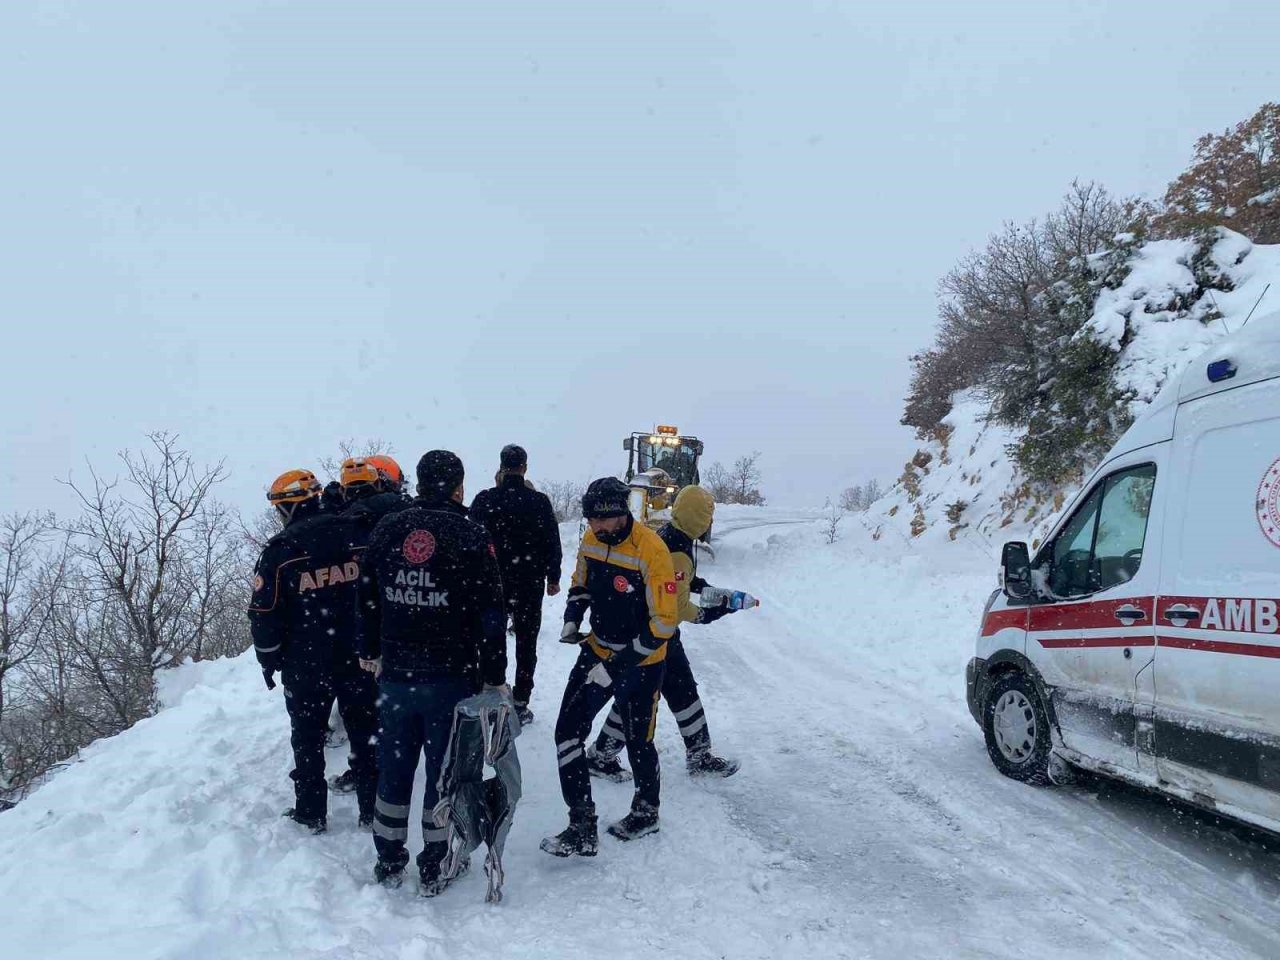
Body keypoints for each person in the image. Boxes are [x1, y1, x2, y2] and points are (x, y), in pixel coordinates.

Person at [357, 450, 509, 895]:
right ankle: (435, 862)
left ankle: (388, 857)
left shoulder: (388, 529)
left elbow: (366, 596)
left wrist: (368, 648)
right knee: (444, 771)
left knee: (395, 766)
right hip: (449, 676)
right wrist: (494, 674)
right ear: (458, 486)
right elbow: (491, 613)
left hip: (396, 674)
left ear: (419, 483)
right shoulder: (469, 534)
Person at [540, 478, 678, 857]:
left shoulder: (652, 550)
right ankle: (581, 825)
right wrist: (572, 617)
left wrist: (619, 665)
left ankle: (646, 811)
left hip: (643, 662)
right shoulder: (592, 538)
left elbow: (665, 623)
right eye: (591, 520)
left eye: (603, 521)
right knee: (567, 733)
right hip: (597, 649)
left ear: (622, 513)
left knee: (638, 739)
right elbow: (580, 582)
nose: (596, 528)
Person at [247, 469, 379, 833]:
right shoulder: (358, 535)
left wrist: (268, 658)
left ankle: (311, 811)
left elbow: (263, 614)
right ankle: (373, 808)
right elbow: (377, 593)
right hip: (359, 656)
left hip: (306, 664)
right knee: (366, 732)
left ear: (287, 508)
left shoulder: (280, 552)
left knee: (307, 739)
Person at [586, 485, 740, 781]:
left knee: (682, 690)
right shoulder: (680, 548)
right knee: (639, 697)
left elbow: (677, 577)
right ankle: (602, 755)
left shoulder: (668, 534)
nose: (709, 521)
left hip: (652, 630)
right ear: (699, 517)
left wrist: (703, 586)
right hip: (656, 634)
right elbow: (681, 608)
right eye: (708, 515)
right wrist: (711, 613)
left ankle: (699, 753)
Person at [328, 455, 412, 796]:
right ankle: (397, 757)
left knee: (364, 706)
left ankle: (368, 769)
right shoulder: (404, 514)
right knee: (394, 697)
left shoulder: (342, 523)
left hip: (359, 622)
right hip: (402, 614)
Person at [468, 444, 562, 726]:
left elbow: (470, 541)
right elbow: (552, 543)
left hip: (491, 582)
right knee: (526, 641)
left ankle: (492, 689)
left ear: (501, 466)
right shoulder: (539, 502)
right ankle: (520, 701)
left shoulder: (485, 500)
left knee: (490, 638)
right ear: (524, 467)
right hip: (529, 582)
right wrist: (553, 577)